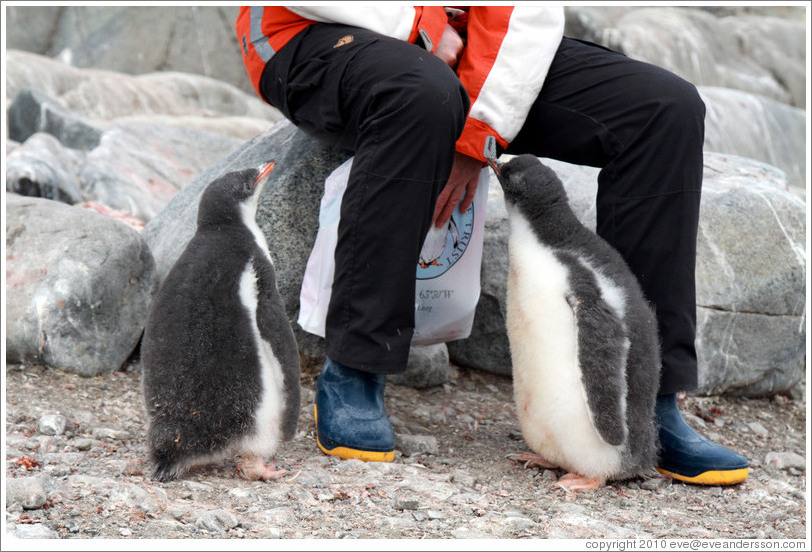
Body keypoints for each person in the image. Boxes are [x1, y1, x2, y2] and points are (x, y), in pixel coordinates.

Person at [235, 6, 749, 485]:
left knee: (664, 109)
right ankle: (355, 366)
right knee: (422, 91)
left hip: (473, 49)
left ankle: (643, 401)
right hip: (317, 30)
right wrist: (418, 22)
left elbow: (523, 14)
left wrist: (479, 131)